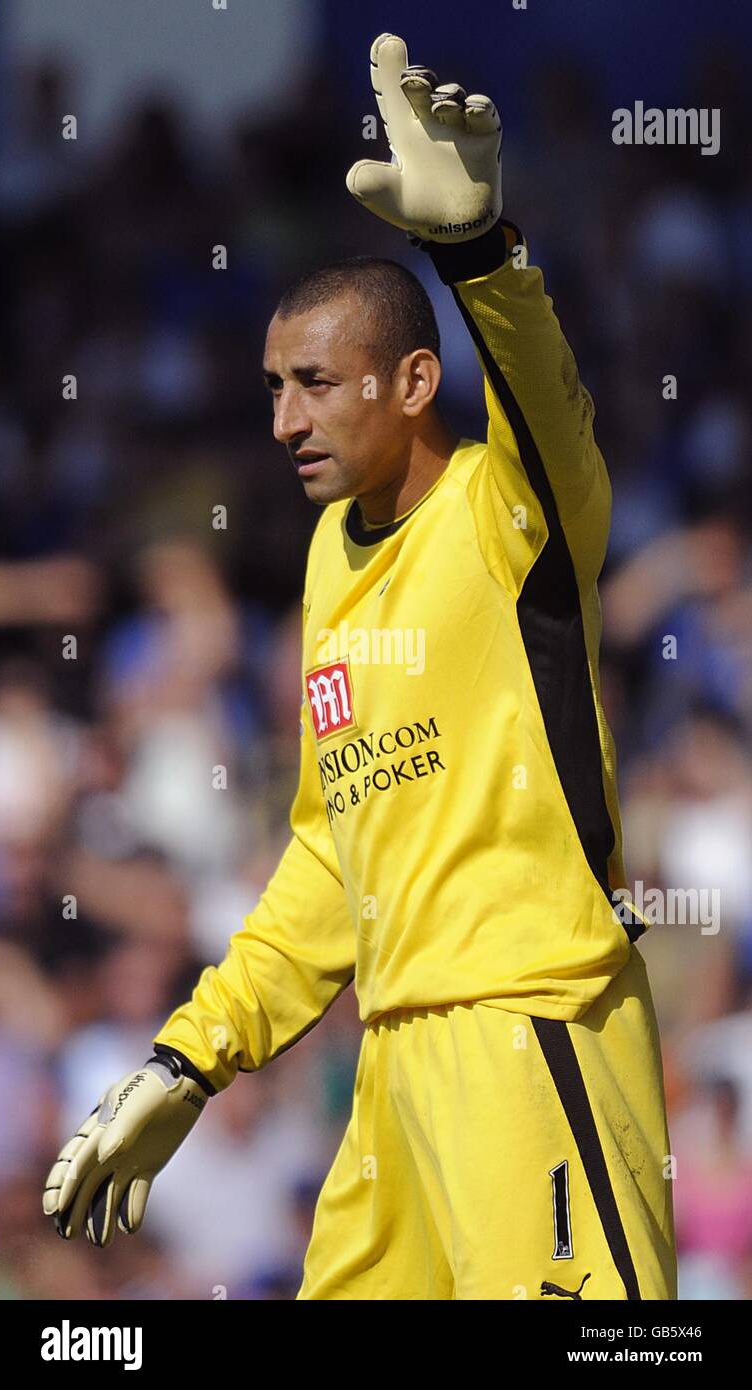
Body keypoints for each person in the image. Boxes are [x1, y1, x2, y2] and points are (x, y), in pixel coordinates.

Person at [42, 32, 677, 1301]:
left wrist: (481, 257)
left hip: (527, 1026)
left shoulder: (511, 509)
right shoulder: (332, 558)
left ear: (414, 380)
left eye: (315, 384)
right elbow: (332, 855)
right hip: (388, 1077)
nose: (281, 420)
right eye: (274, 386)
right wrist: (188, 1060)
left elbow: (550, 407)